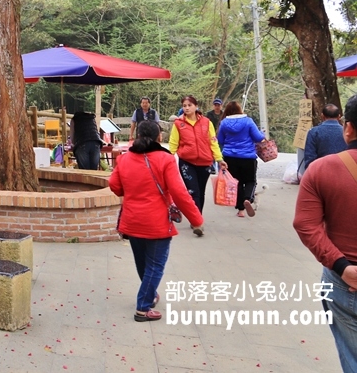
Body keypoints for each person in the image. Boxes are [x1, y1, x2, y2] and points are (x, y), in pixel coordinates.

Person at [110, 120, 204, 322]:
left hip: (132, 219)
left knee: (143, 263)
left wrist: (131, 191)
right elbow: (180, 193)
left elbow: (114, 185)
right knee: (156, 265)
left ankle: (150, 294)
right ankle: (142, 308)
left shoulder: (125, 159)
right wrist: (196, 219)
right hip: (157, 222)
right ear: (159, 137)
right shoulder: (165, 159)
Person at [293, 94, 357, 373]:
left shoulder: (321, 170)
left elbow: (305, 224)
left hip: (345, 280)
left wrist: (342, 266)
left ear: (349, 128)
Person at [168, 95, 226, 234]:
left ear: (196, 106)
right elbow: (173, 143)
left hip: (205, 162)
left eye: (189, 105)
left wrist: (219, 159)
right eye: (184, 106)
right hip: (186, 162)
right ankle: (197, 222)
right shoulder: (178, 124)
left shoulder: (207, 122)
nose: (187, 108)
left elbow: (213, 142)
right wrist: (167, 158)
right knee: (193, 191)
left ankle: (197, 218)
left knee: (200, 192)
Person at [215, 101, 266, 217]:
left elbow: (220, 140)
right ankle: (248, 199)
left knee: (236, 182)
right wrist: (262, 134)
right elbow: (258, 137)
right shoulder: (248, 121)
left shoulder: (223, 123)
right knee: (250, 181)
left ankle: (241, 210)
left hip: (230, 157)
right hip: (247, 157)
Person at [299, 104, 347, 178]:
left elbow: (310, 157)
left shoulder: (314, 132)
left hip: (321, 175)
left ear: (322, 116)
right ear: (339, 116)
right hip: (343, 175)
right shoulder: (346, 132)